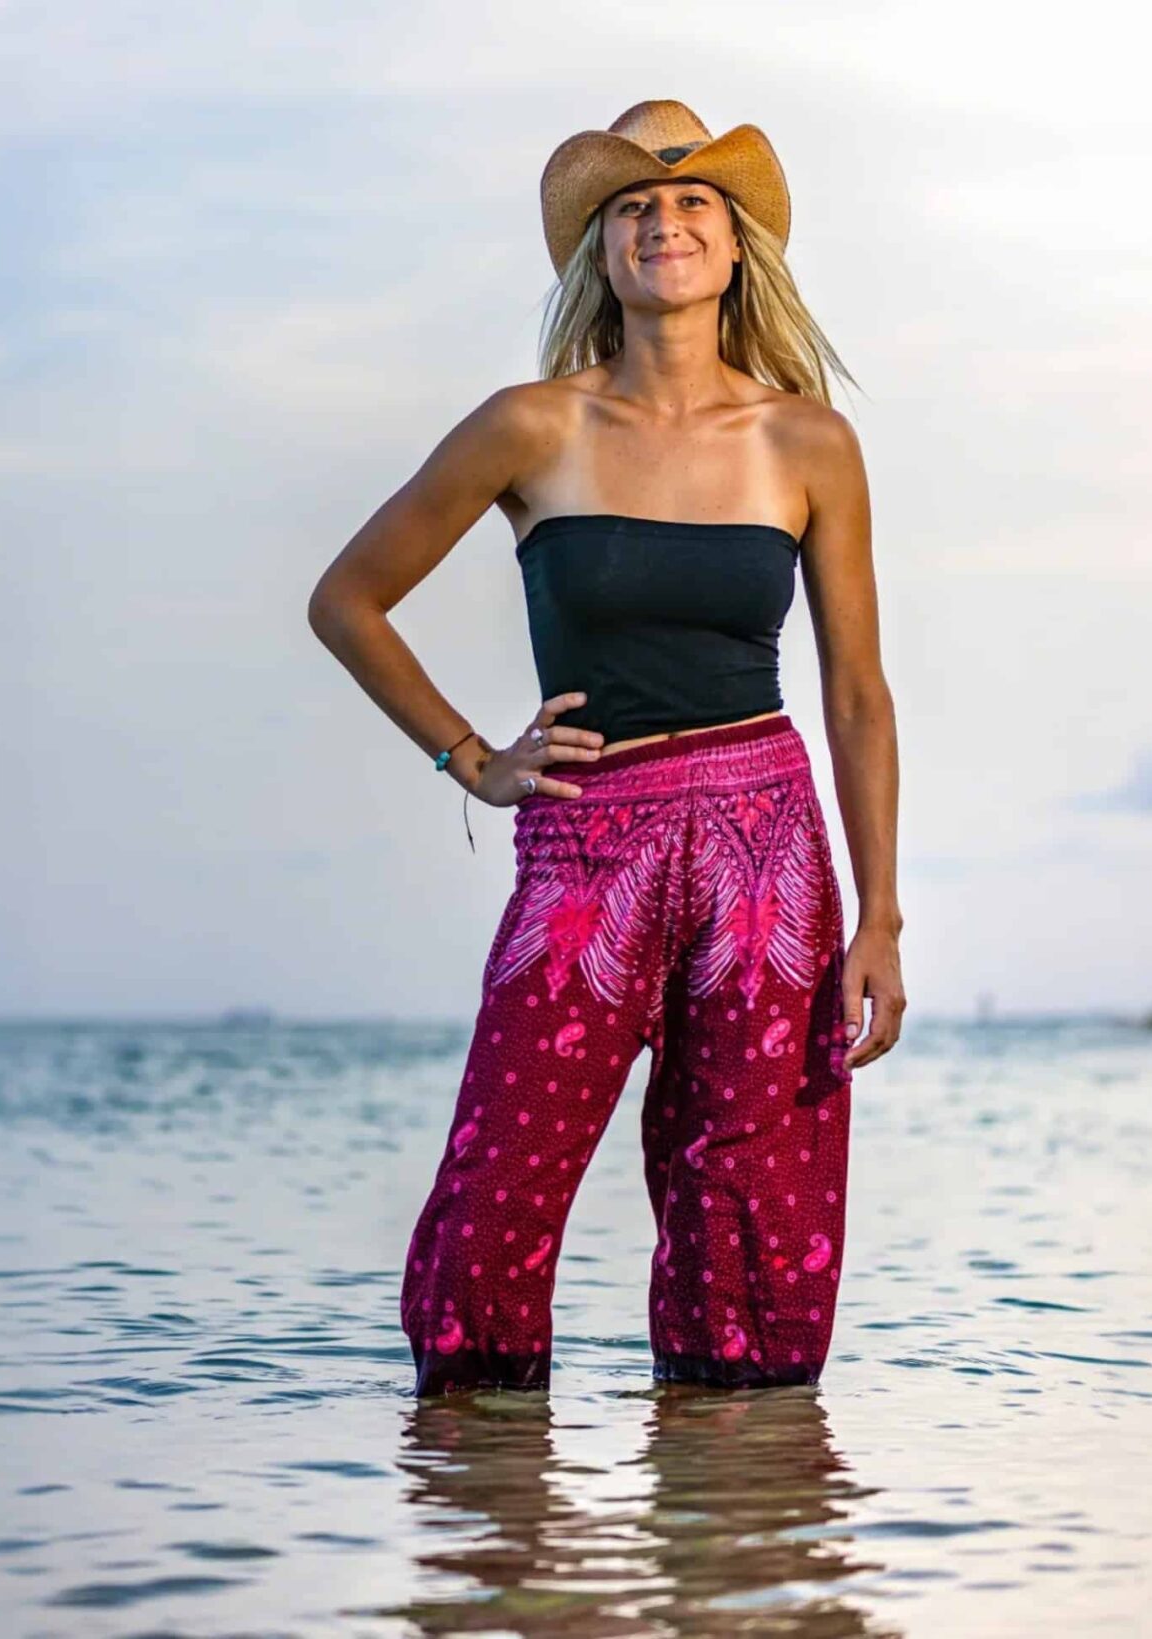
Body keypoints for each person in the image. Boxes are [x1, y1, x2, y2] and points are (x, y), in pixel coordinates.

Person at [306, 99, 903, 1395]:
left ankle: (743, 1524)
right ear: (601, 255)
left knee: (755, 1199)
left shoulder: (808, 440)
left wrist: (882, 921)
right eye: (633, 204)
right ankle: (485, 1509)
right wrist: (473, 759)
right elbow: (347, 600)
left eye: (692, 201)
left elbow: (857, 692)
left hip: (770, 849)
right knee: (500, 1180)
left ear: (737, 249)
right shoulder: (532, 426)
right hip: (588, 840)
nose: (663, 220)